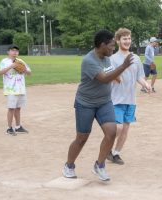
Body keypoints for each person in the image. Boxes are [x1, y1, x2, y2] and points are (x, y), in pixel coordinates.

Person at [62, 30, 134, 181]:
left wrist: (118, 78)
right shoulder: (89, 60)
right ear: (102, 45)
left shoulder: (106, 57)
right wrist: (124, 66)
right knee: (82, 138)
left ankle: (99, 165)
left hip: (104, 102)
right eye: (111, 46)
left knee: (111, 132)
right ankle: (69, 165)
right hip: (86, 103)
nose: (113, 49)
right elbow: (104, 78)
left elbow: (109, 73)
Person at [107, 28, 151, 165]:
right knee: (118, 128)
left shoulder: (136, 58)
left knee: (125, 128)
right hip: (116, 99)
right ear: (118, 40)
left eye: (129, 38)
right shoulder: (112, 59)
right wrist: (115, 78)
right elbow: (109, 77)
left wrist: (146, 84)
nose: (127, 41)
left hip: (130, 100)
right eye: (124, 38)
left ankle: (115, 153)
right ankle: (107, 147)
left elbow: (139, 76)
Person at [0, 45, 31, 136]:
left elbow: (29, 73)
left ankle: (18, 127)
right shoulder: (4, 61)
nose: (15, 52)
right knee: (11, 108)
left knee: (18, 108)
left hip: (20, 88)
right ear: (8, 52)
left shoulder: (21, 61)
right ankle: (9, 128)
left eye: (16, 50)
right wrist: (11, 66)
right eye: (12, 50)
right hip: (10, 89)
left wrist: (24, 70)